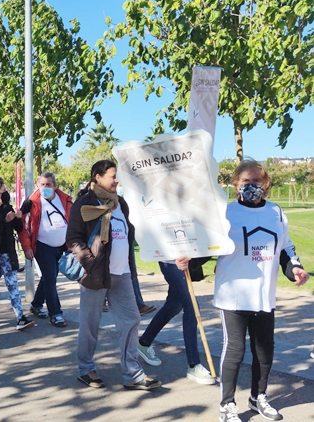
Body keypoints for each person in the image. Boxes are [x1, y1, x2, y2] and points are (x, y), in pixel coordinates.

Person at [177, 159, 309, 422]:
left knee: (265, 351)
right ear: (236, 184)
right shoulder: (225, 213)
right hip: (232, 294)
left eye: (257, 181)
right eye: (245, 181)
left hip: (264, 295)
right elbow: (207, 248)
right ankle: (227, 405)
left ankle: (258, 396)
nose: (251, 186)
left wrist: (295, 268)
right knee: (235, 351)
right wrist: (189, 260)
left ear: (266, 183)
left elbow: (285, 248)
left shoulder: (276, 213)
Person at [67, 160, 161, 391]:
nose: (117, 180)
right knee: (90, 324)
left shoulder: (121, 204)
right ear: (97, 177)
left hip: (122, 274)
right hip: (95, 275)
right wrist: (90, 264)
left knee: (131, 320)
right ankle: (85, 368)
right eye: (112, 176)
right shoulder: (84, 203)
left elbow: (127, 236)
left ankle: (133, 374)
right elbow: (73, 239)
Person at [0, 177, 34, 330]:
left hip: (8, 253)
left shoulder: (8, 207)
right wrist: (5, 220)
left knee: (13, 285)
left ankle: (20, 317)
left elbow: (19, 228)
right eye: (3, 191)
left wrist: (17, 217)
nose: (5, 193)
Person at [18, 172, 72, 327]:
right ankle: (56, 314)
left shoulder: (65, 200)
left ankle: (36, 305)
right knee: (50, 277)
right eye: (42, 185)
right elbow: (22, 227)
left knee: (49, 276)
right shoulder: (30, 203)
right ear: (37, 186)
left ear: (55, 186)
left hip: (61, 245)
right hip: (42, 245)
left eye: (48, 185)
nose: (45, 188)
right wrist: (27, 247)